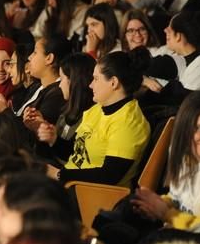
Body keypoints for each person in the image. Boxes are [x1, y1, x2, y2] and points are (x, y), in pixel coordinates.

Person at [50, 49, 150, 188]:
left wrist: (60, 175)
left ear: (113, 83)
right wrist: (53, 139)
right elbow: (77, 151)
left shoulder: (129, 123)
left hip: (97, 195)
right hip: (72, 184)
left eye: (96, 79)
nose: (91, 85)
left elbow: (109, 175)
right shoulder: (97, 108)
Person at [132, 90, 200, 243]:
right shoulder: (182, 152)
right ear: (186, 127)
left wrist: (167, 214)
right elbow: (178, 197)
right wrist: (155, 204)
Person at [36, 53, 96, 164]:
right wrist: (41, 126)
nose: (59, 85)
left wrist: (54, 139)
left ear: (73, 82)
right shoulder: (66, 109)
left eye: (62, 79)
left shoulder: (92, 116)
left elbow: (76, 156)